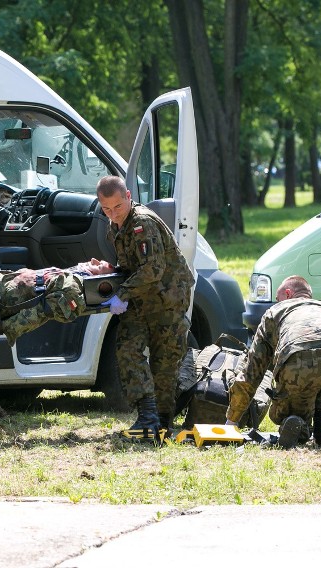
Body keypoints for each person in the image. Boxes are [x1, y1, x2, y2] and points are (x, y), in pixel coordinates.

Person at [95, 175, 194, 441]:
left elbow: (153, 268)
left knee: (165, 363)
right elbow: (133, 266)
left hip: (167, 299)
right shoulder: (115, 226)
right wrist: (111, 272)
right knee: (127, 349)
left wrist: (123, 293)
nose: (113, 214)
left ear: (128, 196)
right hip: (142, 297)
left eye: (117, 207)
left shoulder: (142, 224)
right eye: (106, 209)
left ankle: (160, 424)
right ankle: (147, 415)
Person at [224, 275, 321, 448]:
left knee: (281, 414)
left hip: (296, 360)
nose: (276, 303)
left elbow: (252, 372)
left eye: (277, 299)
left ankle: (297, 426)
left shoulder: (273, 313)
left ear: (288, 293)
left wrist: (232, 421)